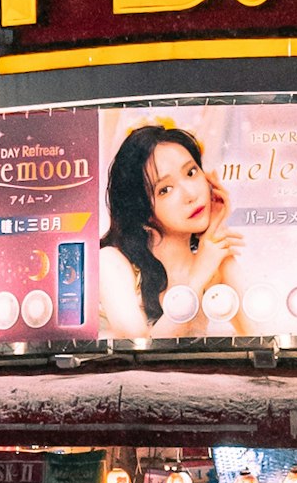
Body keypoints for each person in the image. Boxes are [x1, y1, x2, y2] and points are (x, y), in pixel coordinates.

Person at [102, 121, 238, 333]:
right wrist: (197, 277)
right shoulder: (112, 262)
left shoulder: (212, 260)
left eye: (191, 173)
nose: (191, 195)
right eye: (165, 189)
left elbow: (261, 337)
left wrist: (217, 234)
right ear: (142, 210)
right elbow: (141, 351)